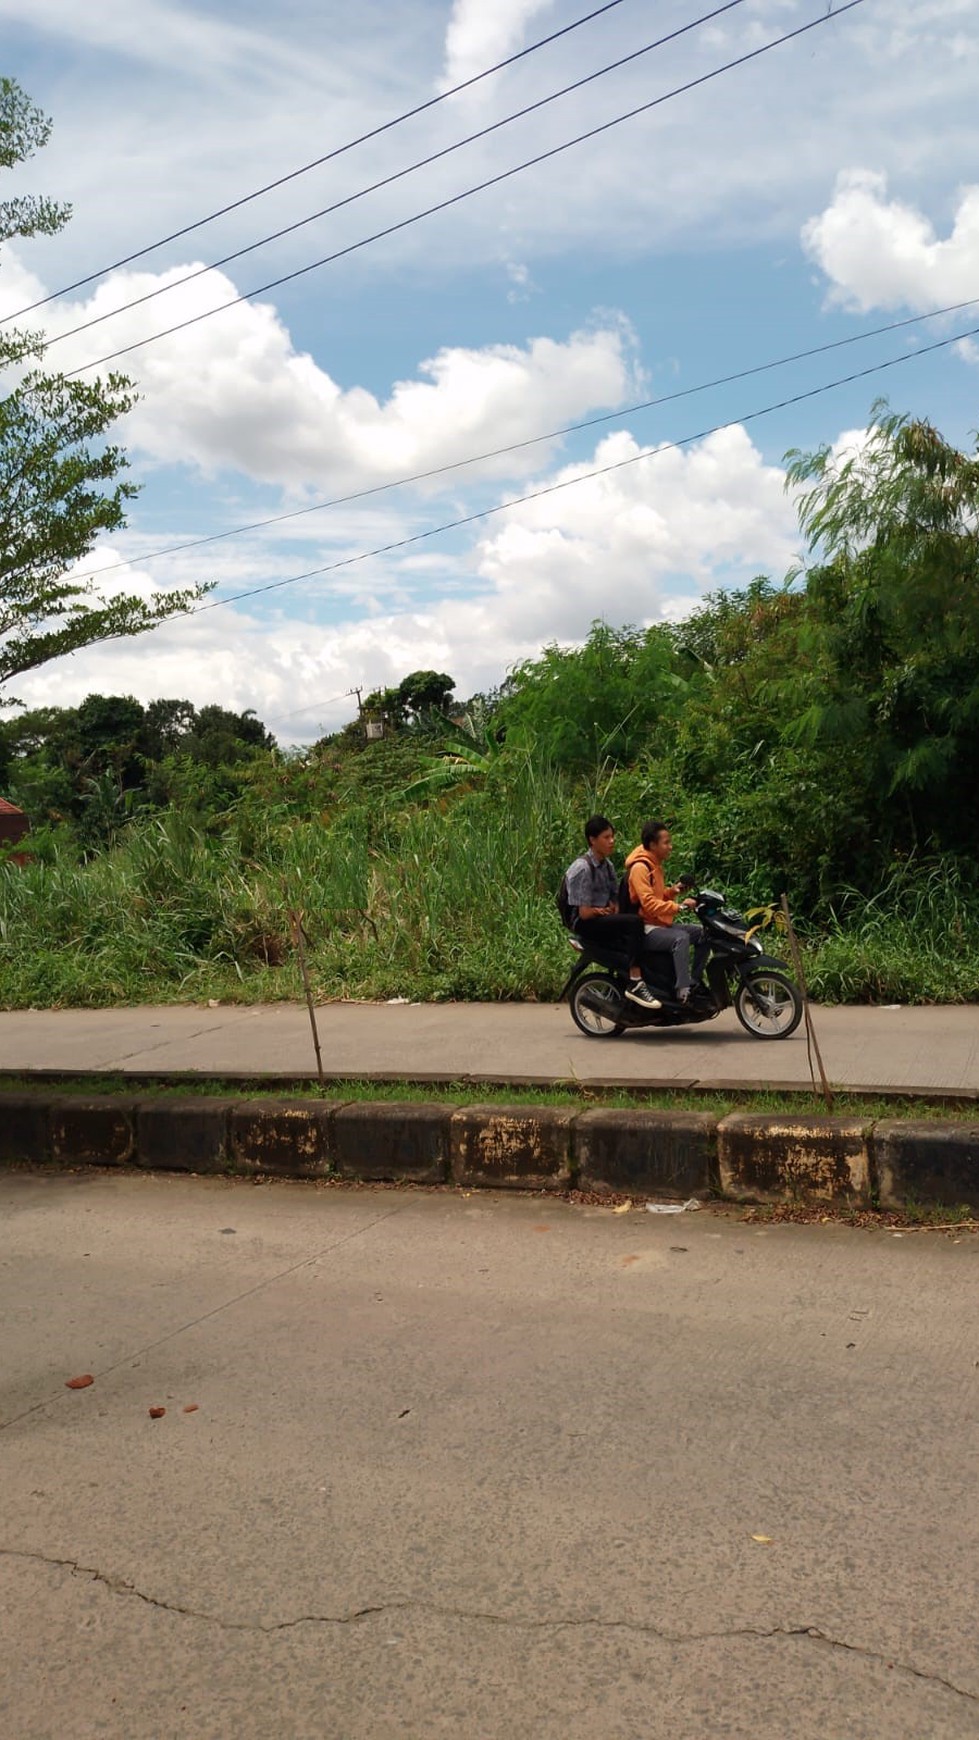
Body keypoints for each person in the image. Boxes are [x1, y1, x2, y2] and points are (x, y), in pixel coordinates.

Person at [564, 816, 661, 1008]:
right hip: (585, 923)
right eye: (606, 837)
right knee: (633, 923)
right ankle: (635, 980)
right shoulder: (583, 868)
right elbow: (584, 913)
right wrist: (605, 912)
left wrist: (613, 910)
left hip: (602, 917)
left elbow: (615, 897)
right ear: (593, 840)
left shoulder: (606, 865)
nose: (611, 841)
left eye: (612, 836)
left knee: (636, 919)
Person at [624, 821, 709, 1003]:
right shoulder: (640, 868)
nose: (670, 847)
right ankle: (682, 992)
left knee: (703, 933)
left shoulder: (655, 865)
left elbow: (657, 895)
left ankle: (694, 980)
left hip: (659, 923)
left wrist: (672, 892)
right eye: (666, 843)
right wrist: (679, 907)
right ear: (653, 845)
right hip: (645, 927)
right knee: (681, 938)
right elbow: (648, 904)